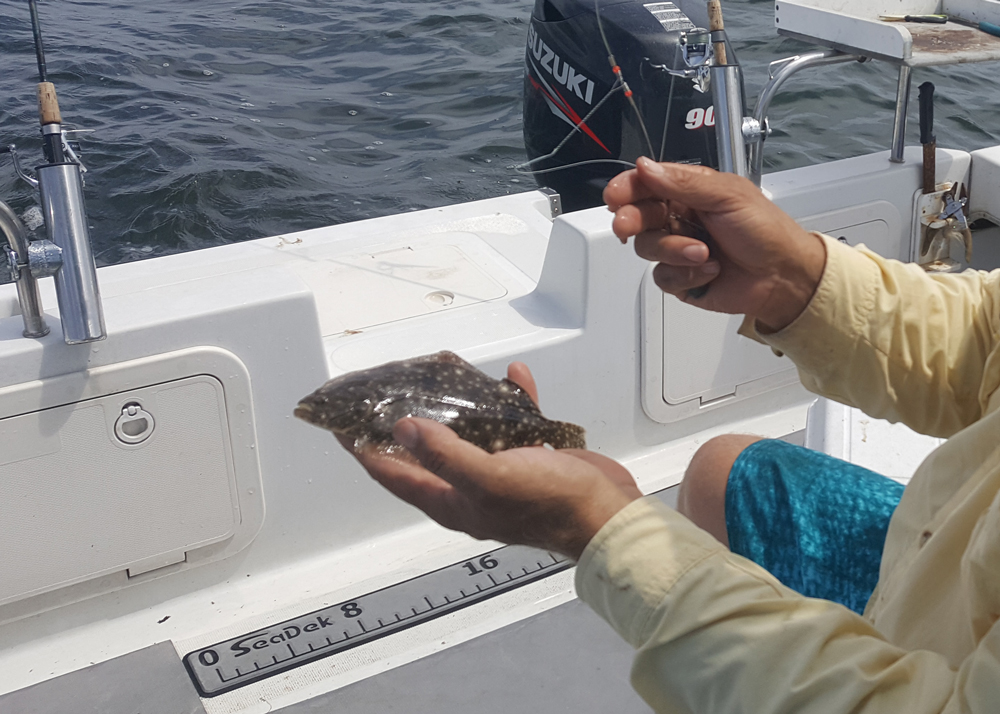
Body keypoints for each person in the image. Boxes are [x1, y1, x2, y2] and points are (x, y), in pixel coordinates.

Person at [347, 157, 1000, 712]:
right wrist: (798, 279)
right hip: (955, 557)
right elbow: (985, 335)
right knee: (726, 472)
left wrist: (600, 528)